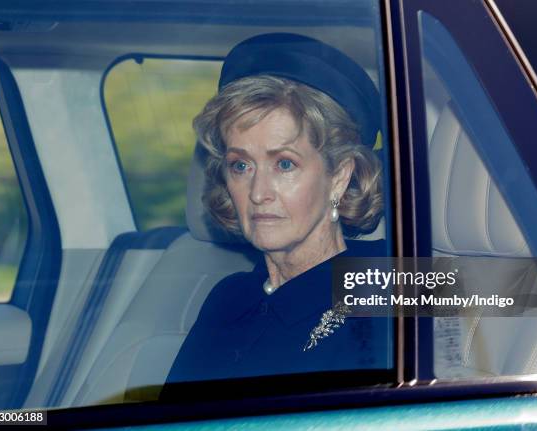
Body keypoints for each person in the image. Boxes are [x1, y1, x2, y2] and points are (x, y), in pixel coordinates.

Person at [165, 33, 389, 383]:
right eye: (241, 166)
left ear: (339, 177)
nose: (258, 193)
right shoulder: (228, 298)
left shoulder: (387, 291)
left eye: (284, 164)